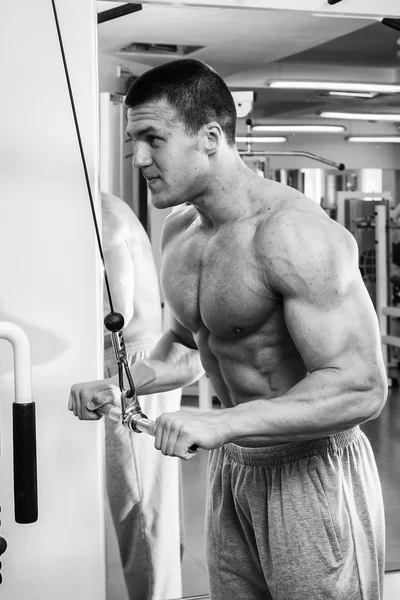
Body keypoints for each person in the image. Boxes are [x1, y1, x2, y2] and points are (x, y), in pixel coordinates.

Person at [69, 59, 387, 600]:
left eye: (154, 139)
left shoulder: (294, 234)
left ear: (211, 137)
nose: (140, 158)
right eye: (134, 140)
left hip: (310, 470)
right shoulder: (181, 233)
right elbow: (190, 349)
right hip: (235, 467)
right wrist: (124, 386)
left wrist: (225, 422)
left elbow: (361, 387)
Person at [102, 191, 182, 600]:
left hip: (132, 362)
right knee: (141, 501)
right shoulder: (109, 207)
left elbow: (118, 309)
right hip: (132, 359)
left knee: (140, 504)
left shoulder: (104, 214)